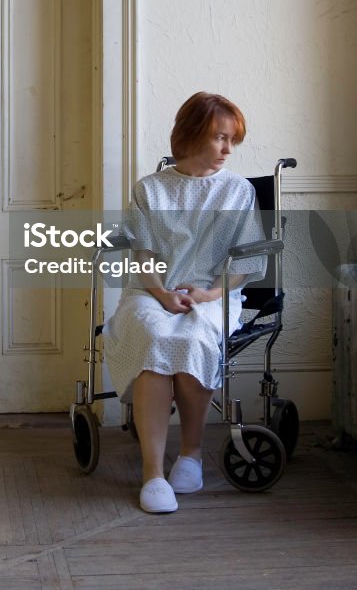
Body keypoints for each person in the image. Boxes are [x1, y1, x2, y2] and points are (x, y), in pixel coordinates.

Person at [103, 91, 267, 513]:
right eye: (220, 138)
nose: (228, 149)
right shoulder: (150, 191)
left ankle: (191, 454)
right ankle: (153, 473)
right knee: (154, 337)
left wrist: (209, 294)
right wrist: (161, 292)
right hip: (149, 291)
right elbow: (143, 254)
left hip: (213, 294)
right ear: (191, 135)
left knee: (195, 337)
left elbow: (247, 260)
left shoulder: (238, 191)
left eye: (233, 140)